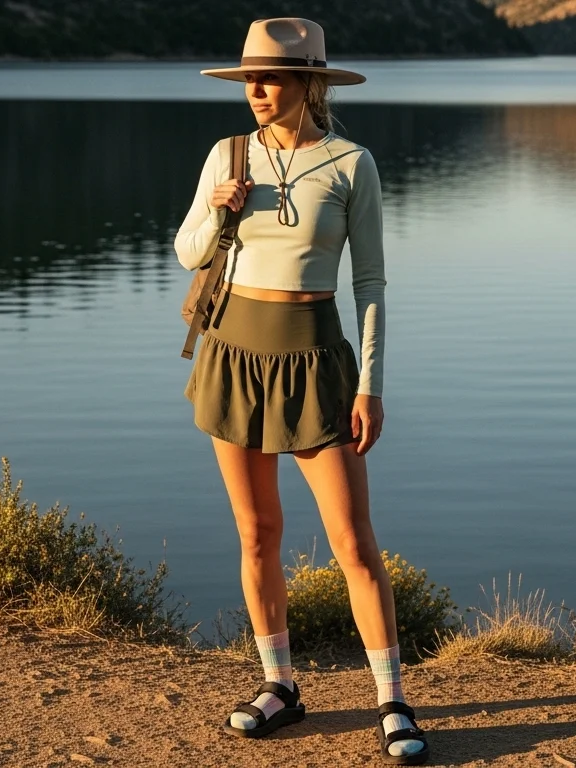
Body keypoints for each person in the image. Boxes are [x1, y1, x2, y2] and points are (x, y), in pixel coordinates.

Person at [175, 17, 429, 766]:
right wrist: (220, 205)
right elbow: (187, 249)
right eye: (250, 79)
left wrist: (372, 385)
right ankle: (279, 686)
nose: (257, 91)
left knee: (354, 543)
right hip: (232, 357)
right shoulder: (226, 155)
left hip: (317, 363)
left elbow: (372, 282)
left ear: (308, 84)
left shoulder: (352, 164)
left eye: (273, 79)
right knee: (257, 534)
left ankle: (392, 700)